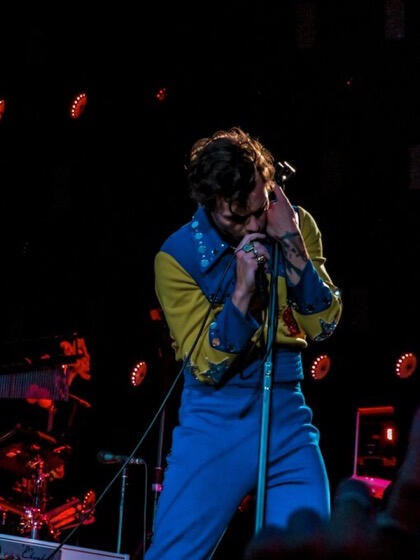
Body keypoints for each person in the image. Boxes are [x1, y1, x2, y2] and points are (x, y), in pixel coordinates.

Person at [145, 127, 343, 559]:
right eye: (237, 218)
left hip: (288, 409)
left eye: (260, 208)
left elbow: (323, 326)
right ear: (209, 203)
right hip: (216, 417)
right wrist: (240, 295)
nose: (254, 225)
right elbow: (204, 366)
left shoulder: (294, 224)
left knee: (309, 548)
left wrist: (292, 245)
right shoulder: (177, 258)